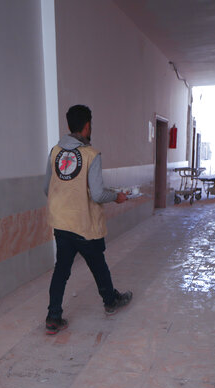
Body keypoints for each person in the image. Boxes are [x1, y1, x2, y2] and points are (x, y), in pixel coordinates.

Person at [43, 104, 132, 334]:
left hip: (61, 223)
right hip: (84, 224)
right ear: (87, 126)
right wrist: (117, 196)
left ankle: (53, 317)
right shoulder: (91, 155)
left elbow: (47, 188)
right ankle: (110, 302)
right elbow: (98, 193)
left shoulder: (55, 152)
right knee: (98, 265)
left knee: (61, 270)